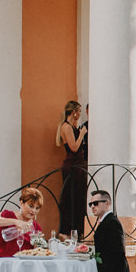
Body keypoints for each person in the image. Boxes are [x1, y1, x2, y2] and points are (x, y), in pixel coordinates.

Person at [56, 101, 89, 236]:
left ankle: (78, 230)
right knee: (71, 198)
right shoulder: (66, 127)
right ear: (74, 112)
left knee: (79, 198)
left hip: (78, 165)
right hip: (72, 166)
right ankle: (67, 230)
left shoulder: (72, 126)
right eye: (79, 111)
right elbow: (74, 147)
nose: (80, 114)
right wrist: (82, 134)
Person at [88, 189, 131, 272]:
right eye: (91, 204)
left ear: (107, 204)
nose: (93, 206)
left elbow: (117, 253)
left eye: (96, 203)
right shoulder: (105, 221)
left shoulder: (112, 222)